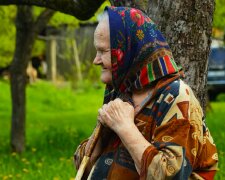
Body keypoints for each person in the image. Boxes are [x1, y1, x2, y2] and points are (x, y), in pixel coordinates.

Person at [74, 6, 218, 180]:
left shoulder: (176, 96)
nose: (95, 60)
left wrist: (124, 128)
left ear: (130, 51)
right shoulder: (120, 90)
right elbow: (83, 166)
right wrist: (103, 132)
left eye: (104, 51)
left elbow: (172, 176)